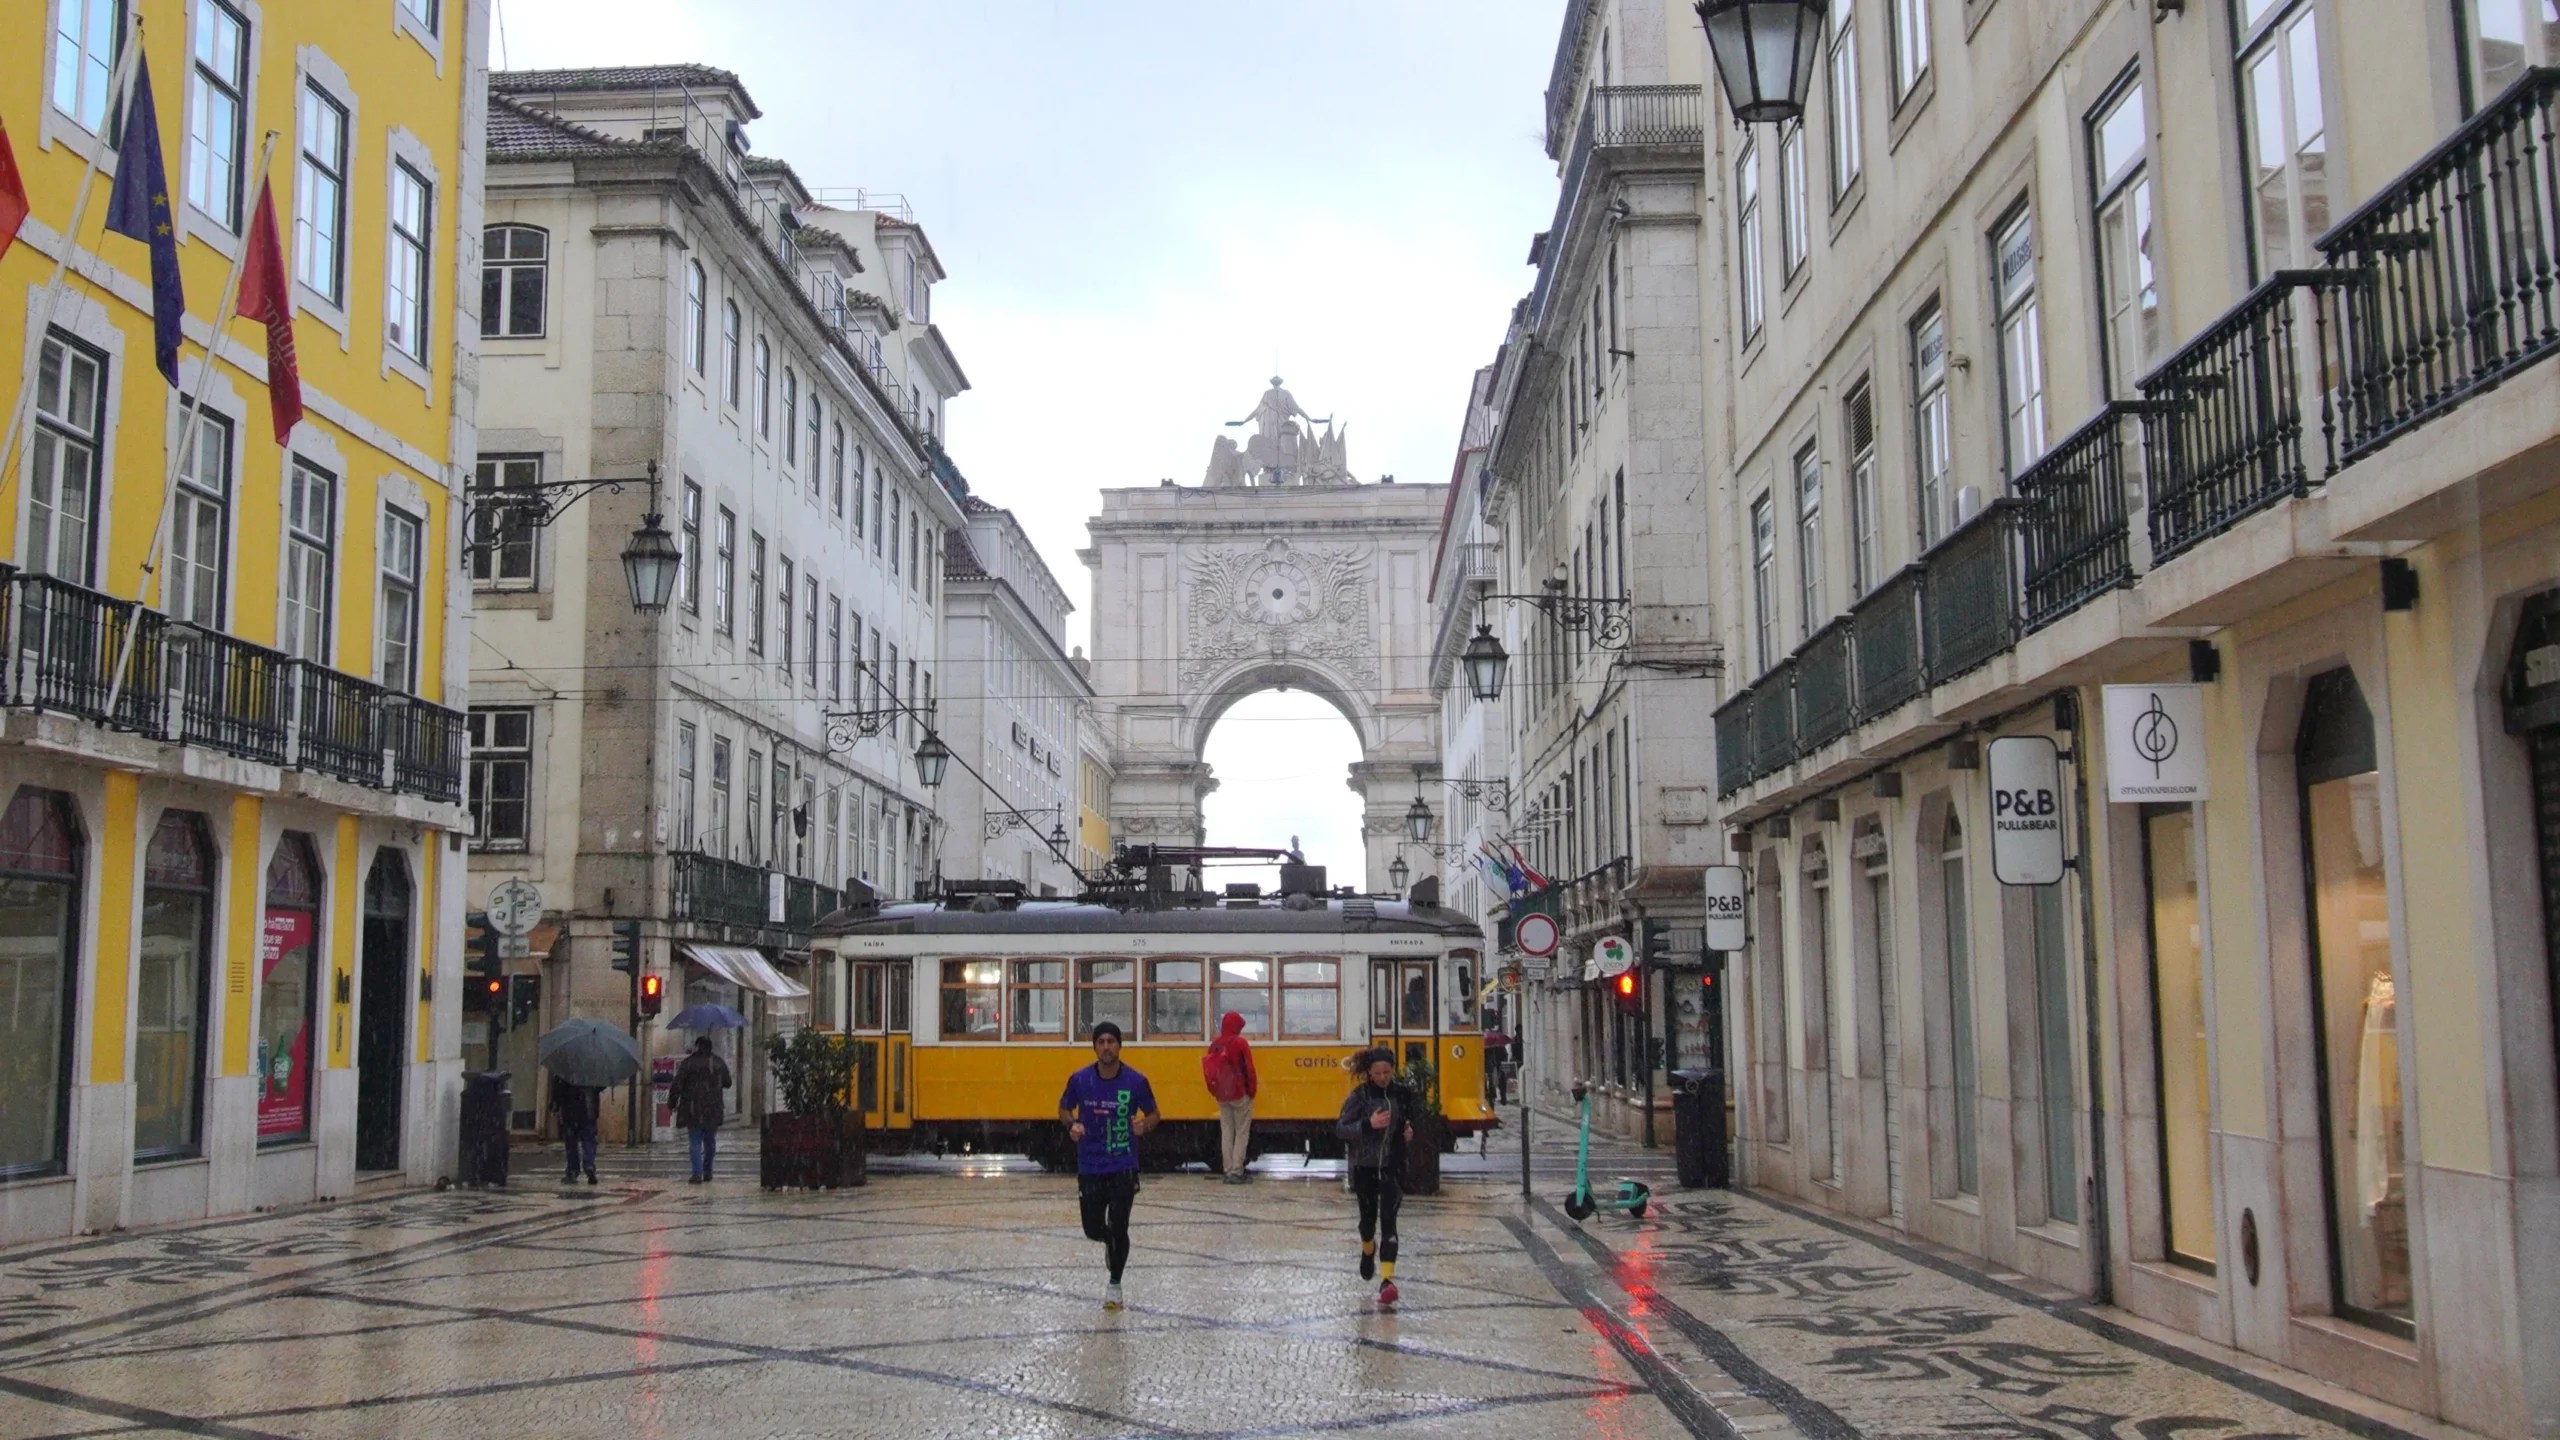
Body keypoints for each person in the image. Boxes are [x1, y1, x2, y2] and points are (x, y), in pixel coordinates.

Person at [1058, 1021, 1159, 1310]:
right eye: (1101, 1041)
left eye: (1111, 1041)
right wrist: (1072, 1124)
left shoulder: (1136, 1081)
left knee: (1119, 1224)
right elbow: (1063, 1108)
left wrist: (1144, 1125)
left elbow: (1154, 1113)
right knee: (1092, 1227)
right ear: (1094, 1047)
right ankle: (1109, 1243)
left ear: (1119, 1046)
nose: (1106, 1047)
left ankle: (1114, 1283)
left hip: (1123, 1165)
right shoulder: (1080, 1080)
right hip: (1090, 1165)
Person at [1334, 1048, 1417, 1308]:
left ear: (1394, 1070)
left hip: (1393, 1165)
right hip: (1365, 1166)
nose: (1383, 1078)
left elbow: (1410, 1120)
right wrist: (1368, 1125)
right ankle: (1368, 1248)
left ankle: (1387, 1281)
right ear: (1369, 1073)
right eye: (1378, 1073)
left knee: (1390, 1223)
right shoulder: (1360, 1096)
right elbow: (1340, 1129)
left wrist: (1408, 1131)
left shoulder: (1402, 1094)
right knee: (1368, 1222)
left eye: (1387, 1073)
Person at [1203, 1010, 1259, 1184]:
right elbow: (1249, 1069)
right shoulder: (1240, 1043)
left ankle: (1227, 1169)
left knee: (1226, 1132)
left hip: (1222, 1094)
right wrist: (1251, 1090)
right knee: (1242, 1132)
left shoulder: (1215, 1045)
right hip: (1239, 1093)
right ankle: (1237, 1171)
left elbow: (1209, 1071)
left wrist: (1215, 1092)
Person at [671, 1036, 732, 1184]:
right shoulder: (718, 1063)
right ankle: (708, 1171)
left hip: (693, 1108)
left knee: (695, 1141)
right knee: (710, 1141)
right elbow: (728, 1083)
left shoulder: (688, 1063)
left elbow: (677, 1084)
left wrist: (672, 1102)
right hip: (712, 1108)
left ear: (697, 1046)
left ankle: (697, 1174)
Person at [549, 1077, 601, 1185]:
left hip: (570, 1107)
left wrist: (555, 1104)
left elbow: (558, 1086)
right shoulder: (593, 1067)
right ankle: (589, 1164)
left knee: (571, 1141)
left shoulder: (565, 1067)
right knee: (589, 1139)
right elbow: (600, 1085)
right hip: (588, 1106)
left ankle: (573, 1170)